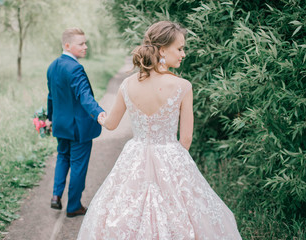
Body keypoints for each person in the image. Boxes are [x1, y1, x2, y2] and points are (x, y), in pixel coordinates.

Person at [77, 21, 242, 239]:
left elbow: (111, 124)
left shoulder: (127, 84)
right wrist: (178, 169)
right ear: (162, 50)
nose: (183, 54)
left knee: (123, 210)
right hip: (171, 155)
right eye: (180, 48)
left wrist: (99, 114)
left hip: (135, 155)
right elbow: (186, 138)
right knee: (185, 214)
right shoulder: (183, 86)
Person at [46, 28, 106, 218]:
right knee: (78, 165)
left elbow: (51, 97)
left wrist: (49, 118)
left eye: (85, 43)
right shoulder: (75, 68)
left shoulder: (52, 66)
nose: (85, 46)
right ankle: (73, 206)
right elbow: (85, 97)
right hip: (78, 128)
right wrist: (100, 114)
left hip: (60, 125)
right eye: (81, 43)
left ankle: (56, 196)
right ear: (67, 45)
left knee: (63, 157)